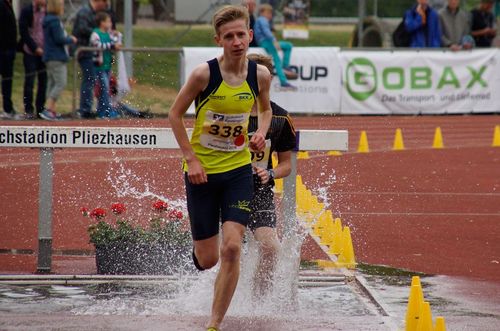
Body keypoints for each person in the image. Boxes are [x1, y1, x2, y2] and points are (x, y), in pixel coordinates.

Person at [168, 6, 272, 330]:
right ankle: (199, 254)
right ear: (219, 40)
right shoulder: (204, 75)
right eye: (229, 36)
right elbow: (174, 114)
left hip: (239, 172)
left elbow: (265, 111)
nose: (237, 41)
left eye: (242, 34)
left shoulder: (260, 75)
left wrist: (260, 133)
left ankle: (214, 323)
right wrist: (192, 159)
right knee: (209, 257)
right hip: (203, 174)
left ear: (250, 36)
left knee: (231, 248)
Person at [246, 53, 296, 297]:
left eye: (259, 78)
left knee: (270, 248)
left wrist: (270, 173)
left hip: (260, 191)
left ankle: (258, 300)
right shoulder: (227, 111)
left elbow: (286, 164)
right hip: (225, 187)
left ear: (269, 80)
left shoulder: (280, 118)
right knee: (227, 249)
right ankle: (219, 298)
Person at [72, 0, 108, 119]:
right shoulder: (85, 12)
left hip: (90, 52)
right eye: (105, 3)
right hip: (84, 51)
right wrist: (97, 33)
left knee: (91, 79)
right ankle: (85, 109)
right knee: (89, 79)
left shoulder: (91, 13)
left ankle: (87, 107)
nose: (105, 6)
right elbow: (82, 29)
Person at [41, 0, 77, 120]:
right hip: (56, 56)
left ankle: (51, 110)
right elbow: (59, 39)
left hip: (49, 56)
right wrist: (70, 39)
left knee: (52, 83)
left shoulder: (47, 20)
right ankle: (48, 108)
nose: (63, 7)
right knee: (61, 83)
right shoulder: (55, 21)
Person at [253, 4, 297, 90]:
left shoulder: (260, 20)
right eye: (269, 13)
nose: (271, 15)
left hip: (265, 42)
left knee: (288, 46)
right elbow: (266, 31)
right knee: (277, 59)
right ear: (263, 12)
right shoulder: (262, 19)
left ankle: (285, 67)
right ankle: (283, 81)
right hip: (267, 42)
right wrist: (274, 40)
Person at [19, 0, 48, 120]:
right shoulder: (26, 11)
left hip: (45, 52)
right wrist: (35, 48)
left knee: (43, 81)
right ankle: (28, 109)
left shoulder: (47, 11)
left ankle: (40, 108)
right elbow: (24, 32)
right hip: (30, 51)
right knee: (29, 81)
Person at [90, 11, 121, 119]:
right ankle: (104, 111)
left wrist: (117, 37)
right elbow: (97, 45)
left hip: (107, 66)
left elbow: (116, 42)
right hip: (99, 66)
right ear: (102, 23)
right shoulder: (95, 33)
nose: (110, 23)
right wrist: (112, 45)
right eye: (108, 21)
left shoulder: (109, 34)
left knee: (105, 89)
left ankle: (104, 110)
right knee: (104, 88)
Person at [0, 0, 22, 120]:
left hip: (9, 50)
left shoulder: (9, 5)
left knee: (7, 81)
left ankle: (8, 108)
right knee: (6, 80)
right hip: (3, 50)